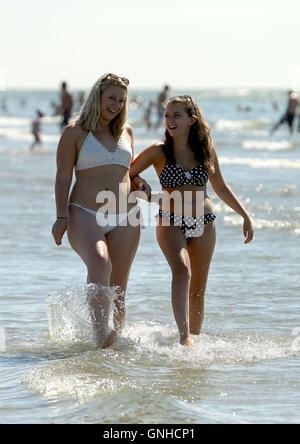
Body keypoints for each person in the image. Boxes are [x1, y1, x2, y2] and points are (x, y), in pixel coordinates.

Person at [130, 95, 254, 347]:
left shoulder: (205, 150)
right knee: (182, 271)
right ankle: (184, 337)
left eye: (176, 115)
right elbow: (128, 172)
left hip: (205, 222)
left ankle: (193, 341)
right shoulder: (159, 151)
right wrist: (142, 186)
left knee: (197, 290)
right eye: (167, 116)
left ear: (191, 119)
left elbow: (220, 186)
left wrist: (245, 215)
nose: (170, 120)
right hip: (170, 220)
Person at [51, 73, 151, 348]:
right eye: (112, 98)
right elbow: (62, 176)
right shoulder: (74, 132)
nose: (117, 104)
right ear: (97, 97)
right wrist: (61, 216)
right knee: (99, 261)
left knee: (118, 286)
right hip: (84, 212)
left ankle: (116, 341)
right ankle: (99, 335)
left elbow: (129, 173)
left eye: (121, 100)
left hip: (125, 215)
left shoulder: (126, 132)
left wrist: (140, 182)